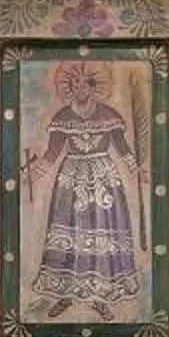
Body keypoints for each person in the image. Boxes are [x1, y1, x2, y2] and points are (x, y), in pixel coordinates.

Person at [25, 60, 144, 320]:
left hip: (104, 179)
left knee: (103, 232)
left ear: (92, 88)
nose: (78, 90)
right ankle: (66, 295)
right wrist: (33, 173)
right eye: (73, 86)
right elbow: (53, 152)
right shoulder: (62, 118)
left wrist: (138, 170)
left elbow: (122, 147)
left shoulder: (108, 115)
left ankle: (100, 298)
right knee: (71, 232)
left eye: (83, 85)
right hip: (71, 179)